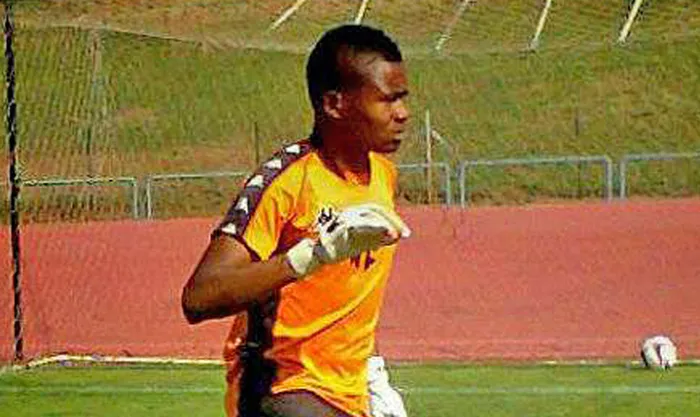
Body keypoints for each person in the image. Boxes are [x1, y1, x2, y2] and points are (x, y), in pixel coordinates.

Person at [181, 24, 411, 417]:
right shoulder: (286, 181)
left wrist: (372, 372)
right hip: (281, 387)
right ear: (334, 104)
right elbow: (199, 297)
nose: (402, 113)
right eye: (387, 100)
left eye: (403, 98)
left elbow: (348, 296)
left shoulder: (383, 177)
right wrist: (309, 256)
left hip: (349, 393)